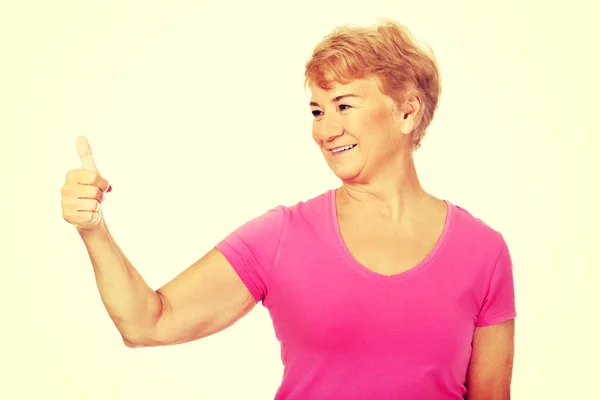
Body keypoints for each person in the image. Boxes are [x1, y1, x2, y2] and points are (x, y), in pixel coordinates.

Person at [61, 19, 516, 400]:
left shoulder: (484, 252)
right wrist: (94, 231)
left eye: (344, 105)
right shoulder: (282, 237)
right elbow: (147, 323)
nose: (325, 130)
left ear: (407, 112)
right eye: (317, 111)